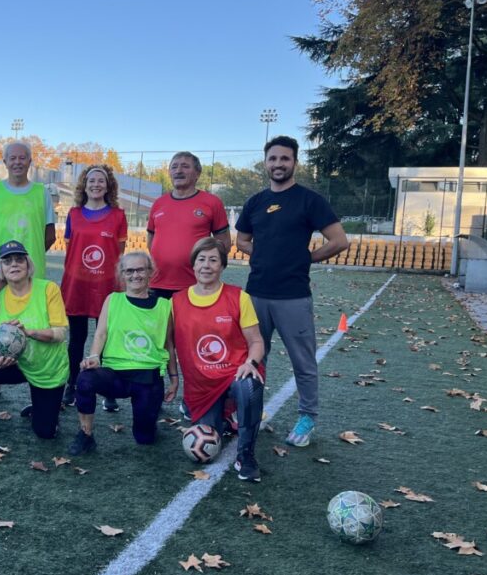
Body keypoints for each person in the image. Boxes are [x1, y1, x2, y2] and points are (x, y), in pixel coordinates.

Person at [235, 135, 349, 448]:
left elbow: (339, 241)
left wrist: (305, 257)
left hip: (293, 296)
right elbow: (241, 240)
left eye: (285, 159)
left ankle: (307, 416)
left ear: (295, 162)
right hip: (256, 294)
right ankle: (252, 411)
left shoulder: (310, 200)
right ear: (265, 163)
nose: (278, 164)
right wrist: (259, 253)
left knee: (303, 361)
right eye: (273, 159)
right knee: (255, 358)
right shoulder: (255, 201)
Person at [172, 237, 266, 481]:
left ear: (222, 266)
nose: (206, 265)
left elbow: (256, 342)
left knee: (249, 386)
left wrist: (250, 363)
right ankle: (224, 417)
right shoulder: (176, 302)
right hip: (201, 386)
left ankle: (246, 455)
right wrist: (172, 378)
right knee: (210, 438)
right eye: (201, 259)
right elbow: (168, 346)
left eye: (213, 260)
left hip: (235, 374)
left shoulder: (238, 297)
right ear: (193, 265)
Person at [68, 252, 177, 455]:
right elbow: (100, 334)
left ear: (149, 272)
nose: (135, 275)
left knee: (145, 439)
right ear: (122, 274)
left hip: (148, 375)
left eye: (140, 270)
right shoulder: (113, 300)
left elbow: (169, 344)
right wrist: (92, 357)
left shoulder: (164, 306)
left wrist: (174, 377)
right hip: (115, 374)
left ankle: (149, 422)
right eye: (129, 270)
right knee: (85, 379)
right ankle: (86, 434)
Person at [0, 240, 69, 443]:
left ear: (28, 265)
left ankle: (42, 408)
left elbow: (60, 334)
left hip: (48, 367)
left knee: (46, 432)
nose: (14, 264)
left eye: (20, 259)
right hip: (18, 364)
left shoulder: (48, 289)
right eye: (7, 261)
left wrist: (28, 332)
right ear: (1, 269)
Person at [59, 164, 128, 410]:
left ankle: (109, 389)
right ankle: (72, 384)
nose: (96, 184)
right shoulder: (74, 214)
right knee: (77, 339)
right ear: (84, 185)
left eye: (101, 181)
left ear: (108, 186)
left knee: (107, 338)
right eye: (91, 180)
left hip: (106, 286)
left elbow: (118, 254)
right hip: (77, 285)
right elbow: (71, 249)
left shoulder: (118, 215)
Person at [146, 151, 230, 299]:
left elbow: (224, 243)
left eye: (185, 166)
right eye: (174, 167)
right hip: (157, 284)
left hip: (196, 284)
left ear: (197, 173)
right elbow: (151, 239)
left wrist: (209, 269)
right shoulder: (158, 203)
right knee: (161, 323)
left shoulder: (212, 202)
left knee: (191, 323)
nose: (178, 171)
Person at [0, 141, 56, 275]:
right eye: (12, 158)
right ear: (5, 162)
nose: (17, 162)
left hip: (32, 274)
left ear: (30, 161)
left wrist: (34, 255)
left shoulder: (42, 192)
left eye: (22, 158)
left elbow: (50, 236)